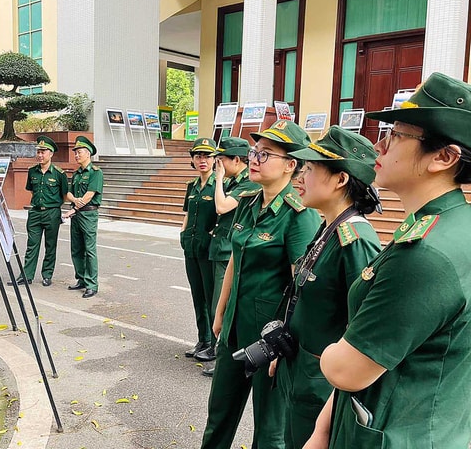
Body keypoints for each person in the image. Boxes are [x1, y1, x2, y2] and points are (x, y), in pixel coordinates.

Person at [305, 73, 471, 448]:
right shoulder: (450, 225)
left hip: (398, 434)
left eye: (397, 135)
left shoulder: (425, 253)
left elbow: (348, 369)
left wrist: (329, 349)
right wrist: (323, 429)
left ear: (443, 157)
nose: (379, 145)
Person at [201, 120, 321, 449]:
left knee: (269, 430)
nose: (254, 158)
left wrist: (286, 345)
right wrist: (220, 311)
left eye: (266, 154)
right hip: (235, 328)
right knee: (219, 415)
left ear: (291, 165)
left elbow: (303, 286)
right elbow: (235, 262)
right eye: (255, 151)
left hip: (270, 338)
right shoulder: (250, 203)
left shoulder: (299, 215)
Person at [260, 126, 381, 448]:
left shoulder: (355, 241)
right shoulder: (328, 227)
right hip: (297, 368)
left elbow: (363, 327)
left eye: (310, 169)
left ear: (341, 179)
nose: (300, 177)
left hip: (320, 383)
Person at [202, 137, 260, 377]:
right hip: (221, 246)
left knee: (223, 305)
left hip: (229, 251)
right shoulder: (235, 181)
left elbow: (222, 207)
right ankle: (216, 351)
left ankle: (223, 357)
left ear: (237, 160)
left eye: (222, 160)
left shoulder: (247, 183)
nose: (219, 164)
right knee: (215, 302)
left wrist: (217, 179)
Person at [180, 137, 220, 363]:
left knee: (211, 297)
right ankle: (202, 340)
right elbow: (187, 214)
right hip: (191, 247)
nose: (202, 160)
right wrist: (182, 234)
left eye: (207, 156)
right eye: (198, 156)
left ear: (215, 160)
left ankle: (214, 345)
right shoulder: (192, 186)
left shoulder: (219, 185)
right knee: (197, 296)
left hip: (208, 250)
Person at [12, 136, 68, 287]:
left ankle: (47, 275)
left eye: (43, 152)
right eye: (38, 151)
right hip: (35, 213)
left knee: (50, 246)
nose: (40, 155)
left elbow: (63, 195)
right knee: (32, 245)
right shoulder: (32, 172)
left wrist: (52, 206)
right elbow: (31, 190)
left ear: (51, 154)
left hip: (52, 213)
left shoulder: (59, 173)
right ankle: (26, 275)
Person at [64, 136, 103, 298]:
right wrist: (74, 201)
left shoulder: (95, 173)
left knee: (90, 250)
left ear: (88, 154)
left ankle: (92, 284)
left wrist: (73, 208)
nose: (77, 155)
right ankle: (81, 278)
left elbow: (89, 196)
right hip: (77, 215)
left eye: (79, 152)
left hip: (88, 214)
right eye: (76, 153)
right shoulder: (77, 173)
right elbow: (68, 193)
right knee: (76, 249)